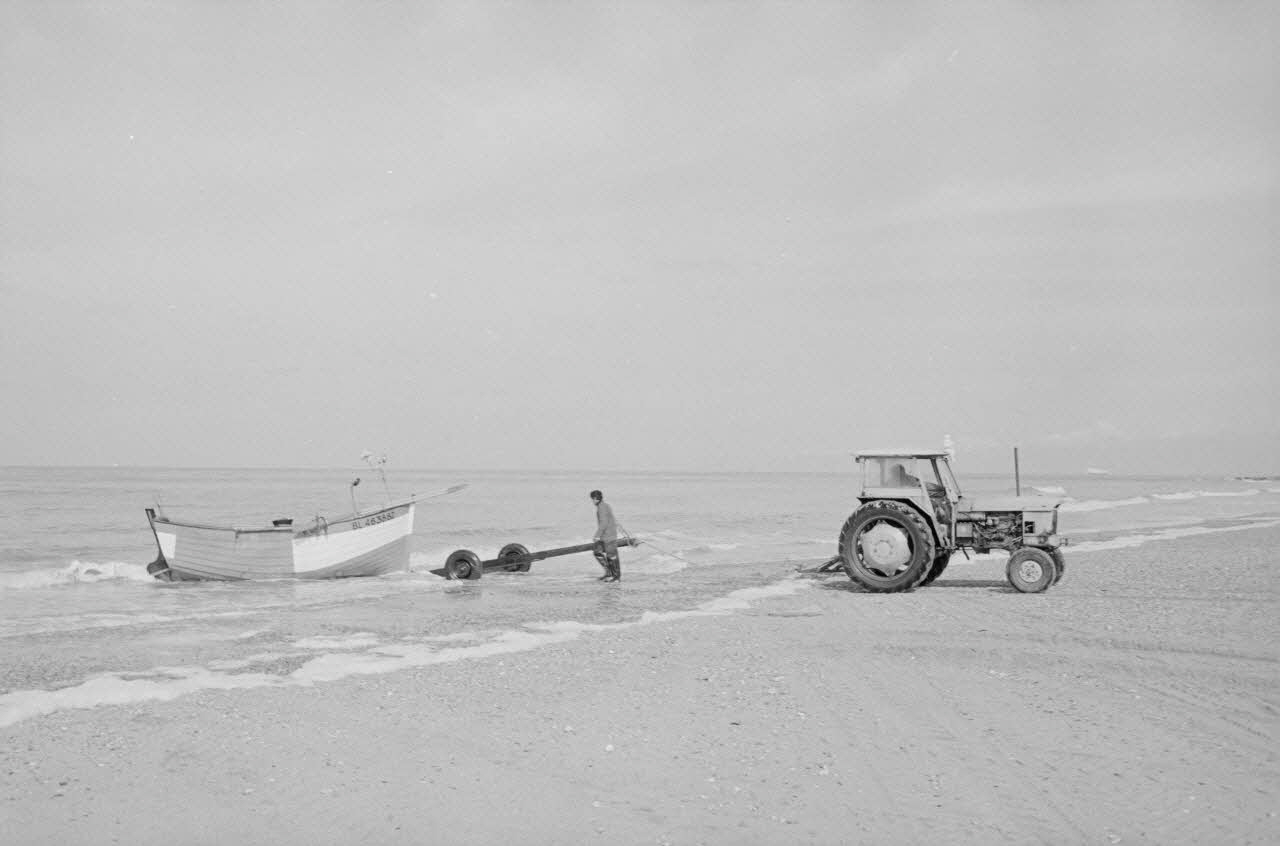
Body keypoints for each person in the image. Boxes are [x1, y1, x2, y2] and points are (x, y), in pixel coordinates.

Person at [590, 489, 622, 582]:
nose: (592, 501)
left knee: (611, 555)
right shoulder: (605, 505)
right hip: (607, 534)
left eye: (592, 499)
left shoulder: (602, 508)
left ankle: (616, 577)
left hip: (608, 535)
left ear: (595, 499)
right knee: (597, 551)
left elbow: (603, 523)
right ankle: (609, 573)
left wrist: (597, 535)